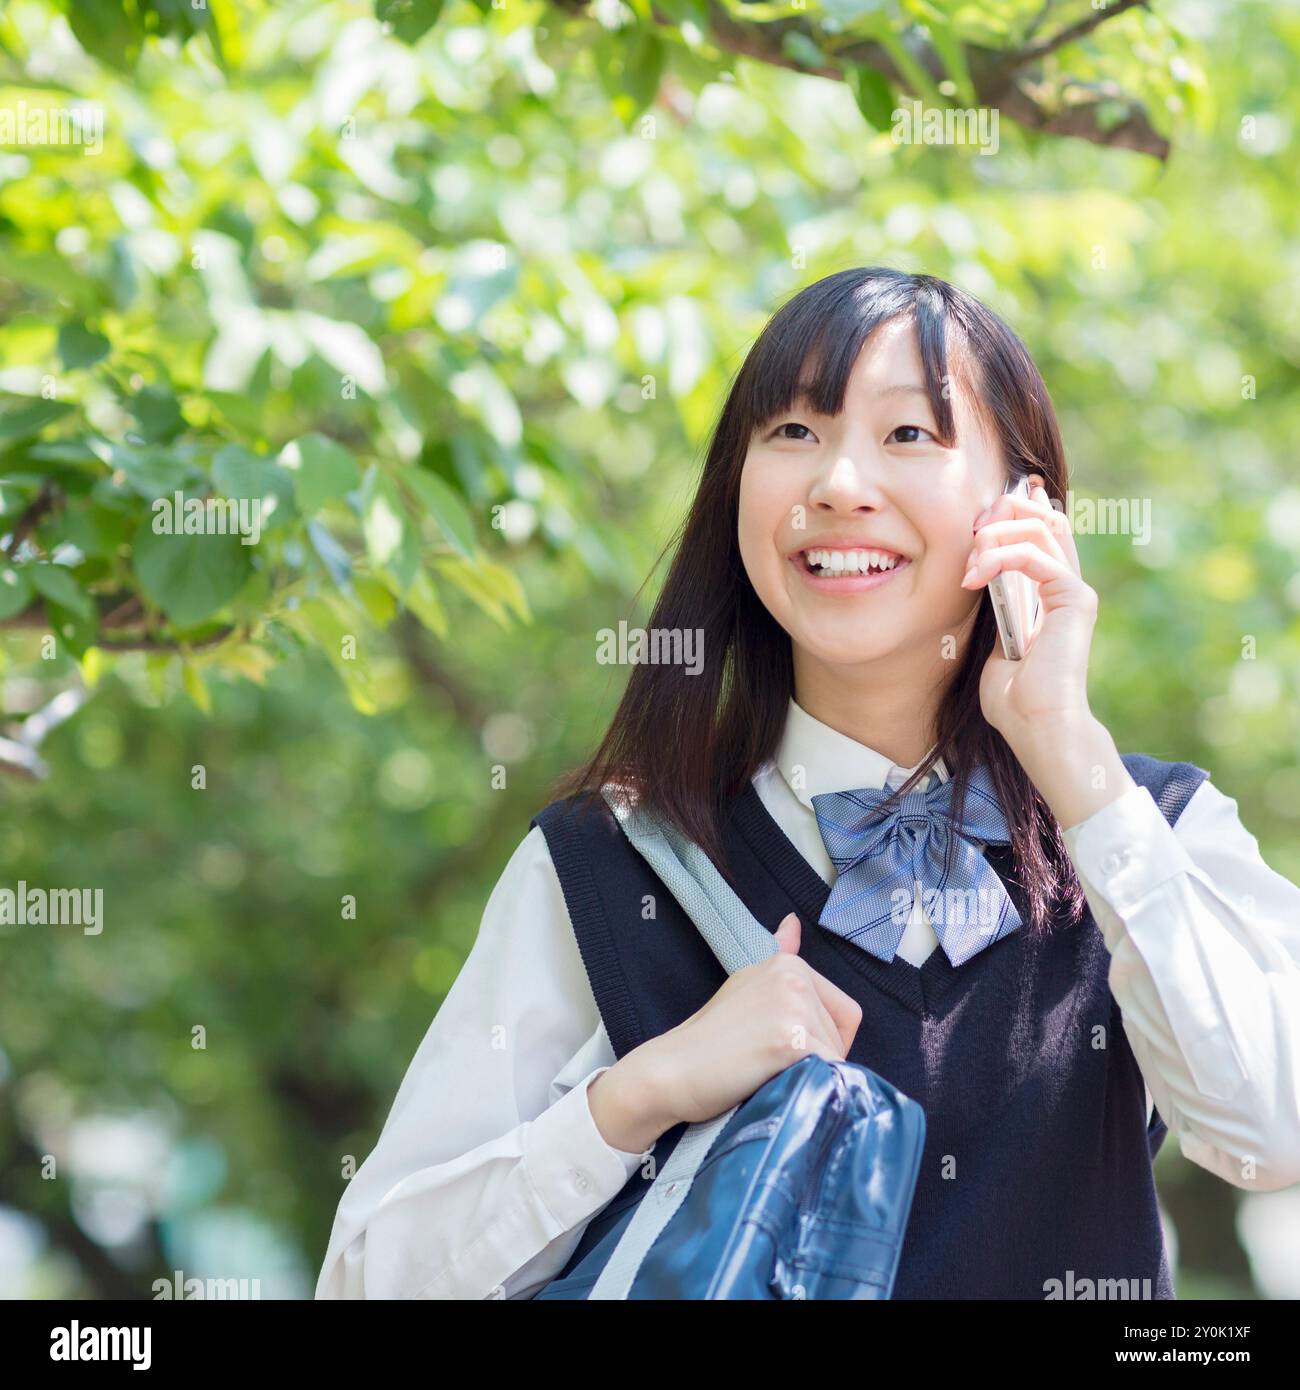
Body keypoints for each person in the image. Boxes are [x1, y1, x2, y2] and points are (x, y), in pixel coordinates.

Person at [316, 267, 1300, 1300]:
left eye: (908, 435)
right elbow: (369, 1281)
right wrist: (638, 1095)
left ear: (1023, 506)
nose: (836, 482)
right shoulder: (606, 863)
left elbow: (1271, 1134)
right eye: (790, 431)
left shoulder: (1158, 830)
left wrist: (1073, 759)